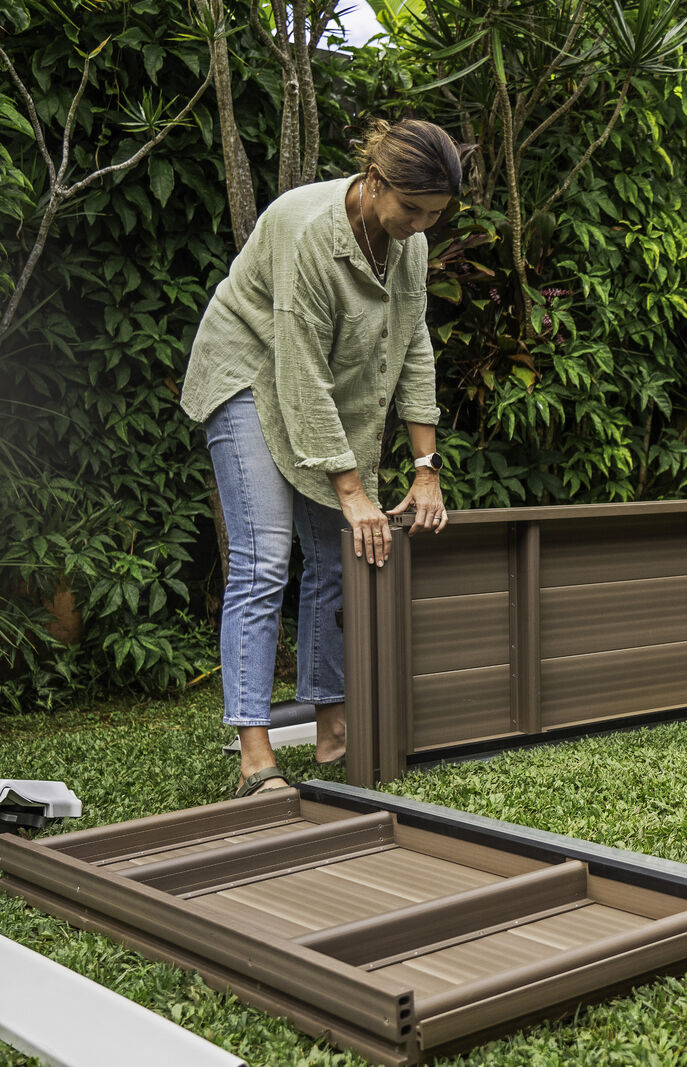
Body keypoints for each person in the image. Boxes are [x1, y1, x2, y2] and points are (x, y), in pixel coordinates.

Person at [181, 119, 468, 797]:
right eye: (413, 209)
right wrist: (352, 488)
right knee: (263, 555)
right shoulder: (307, 228)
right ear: (376, 182)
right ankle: (256, 757)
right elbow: (299, 367)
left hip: (312, 388)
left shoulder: (409, 244)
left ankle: (333, 729)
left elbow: (414, 346)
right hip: (249, 373)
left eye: (435, 215)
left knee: (339, 554)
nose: (422, 225)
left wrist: (427, 469)